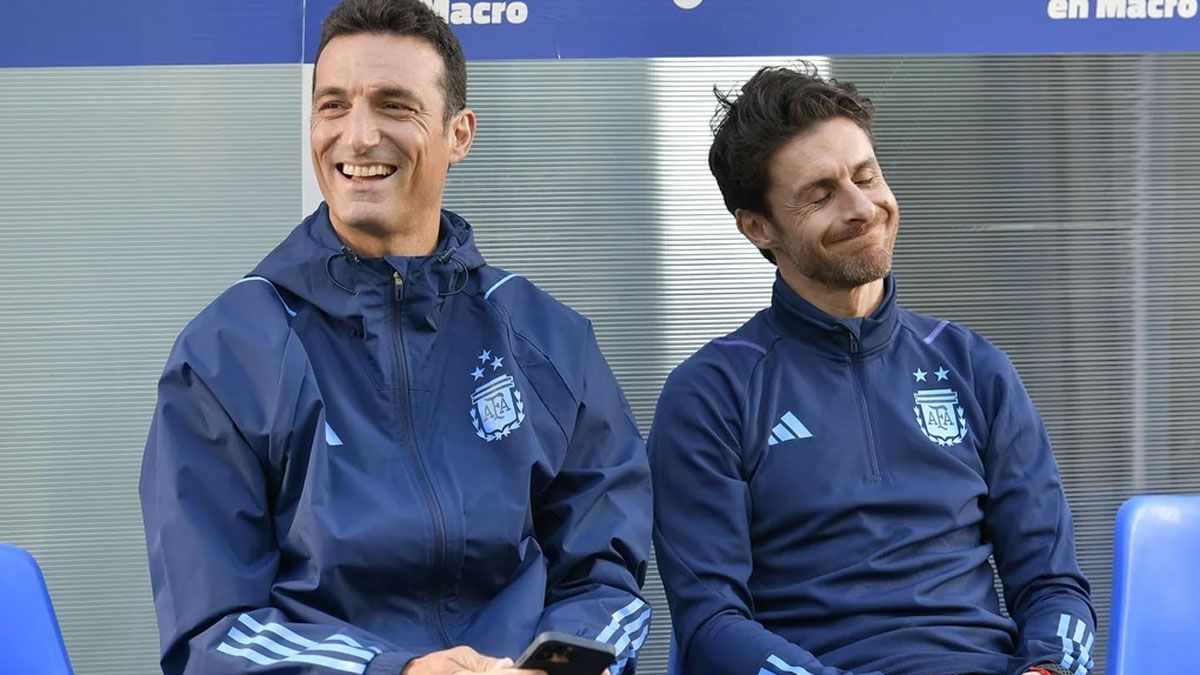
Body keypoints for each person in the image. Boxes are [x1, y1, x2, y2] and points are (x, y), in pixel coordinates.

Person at [139, 1, 651, 673]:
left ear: (458, 134)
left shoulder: (545, 336)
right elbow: (212, 631)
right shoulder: (227, 351)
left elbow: (607, 584)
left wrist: (548, 666)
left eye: (394, 105)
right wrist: (393, 670)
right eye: (332, 106)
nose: (356, 136)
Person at [650, 63, 1096, 675]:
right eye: (820, 194)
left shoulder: (974, 366)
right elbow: (711, 624)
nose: (863, 208)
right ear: (758, 228)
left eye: (867, 176)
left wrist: (1045, 669)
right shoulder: (711, 393)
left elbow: (1054, 588)